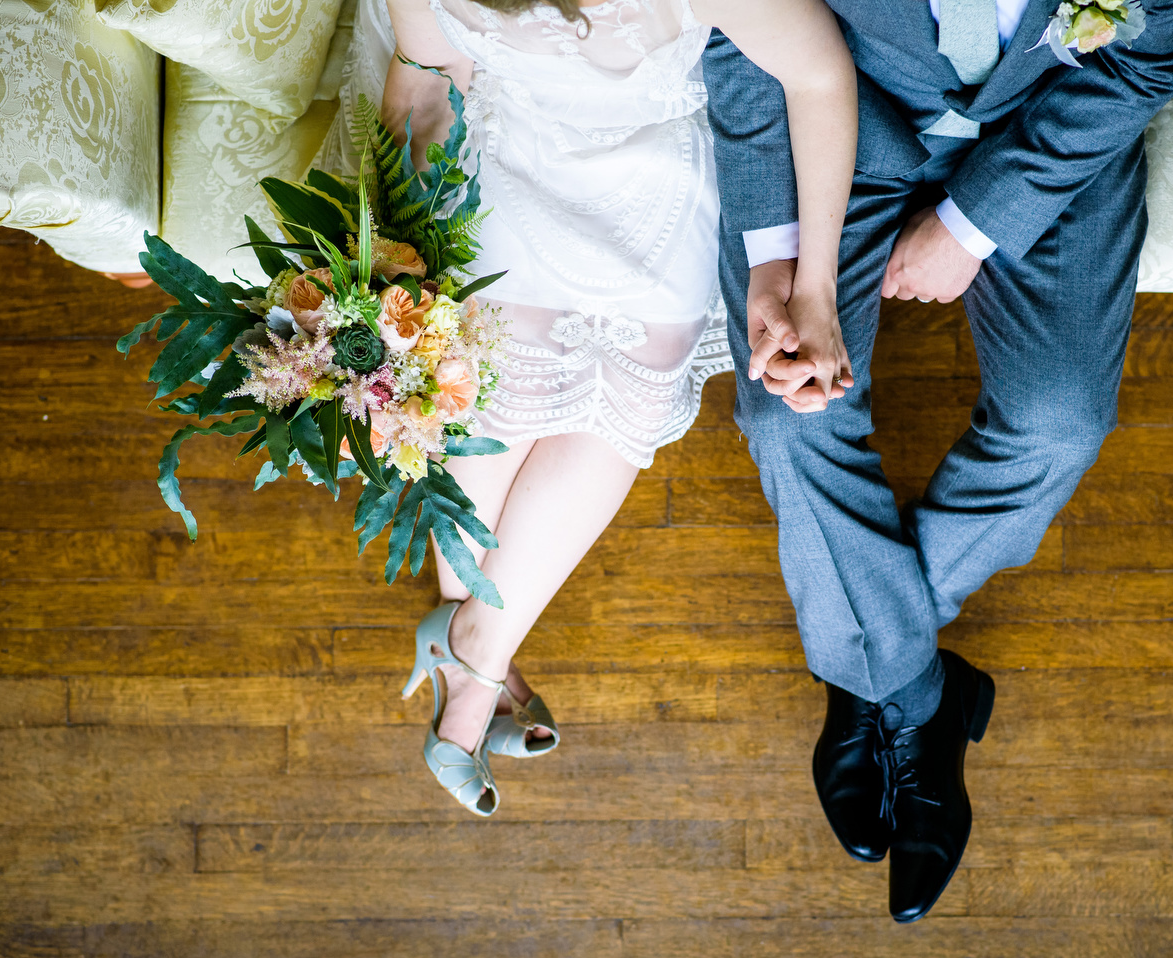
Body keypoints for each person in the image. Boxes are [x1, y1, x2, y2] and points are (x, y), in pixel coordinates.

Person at [703, 0, 1173, 921]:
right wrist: (773, 257)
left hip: (1051, 128)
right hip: (839, 114)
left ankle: (871, 666)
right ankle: (917, 699)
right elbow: (737, 32)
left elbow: (1146, 61)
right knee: (790, 421)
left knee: (1060, 421)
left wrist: (976, 222)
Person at [345, 0, 857, 817]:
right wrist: (395, 285)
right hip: (510, 170)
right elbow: (426, 86)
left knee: (623, 409)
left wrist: (816, 288)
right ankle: (473, 660)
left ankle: (470, 661)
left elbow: (820, 73)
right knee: (478, 395)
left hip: (653, 194)